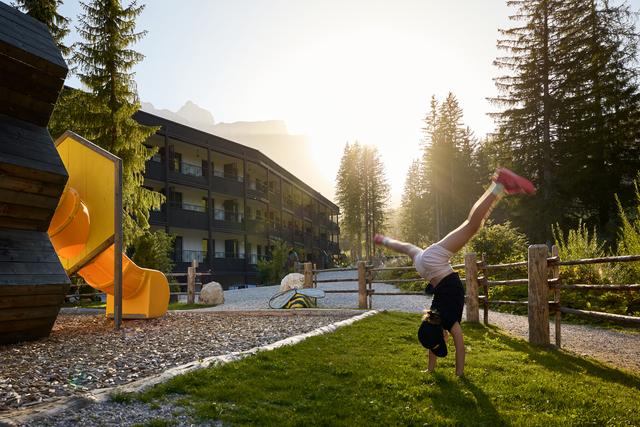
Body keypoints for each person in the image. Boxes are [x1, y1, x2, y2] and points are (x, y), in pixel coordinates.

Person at [374, 168, 535, 376]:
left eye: (442, 342)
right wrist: (429, 370)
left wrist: (459, 374)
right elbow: (432, 344)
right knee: (407, 248)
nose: (445, 341)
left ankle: (499, 184)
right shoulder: (431, 316)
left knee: (471, 226)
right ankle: (384, 240)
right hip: (424, 267)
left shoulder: (449, 322)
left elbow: (460, 346)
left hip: (434, 265)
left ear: (442, 334)